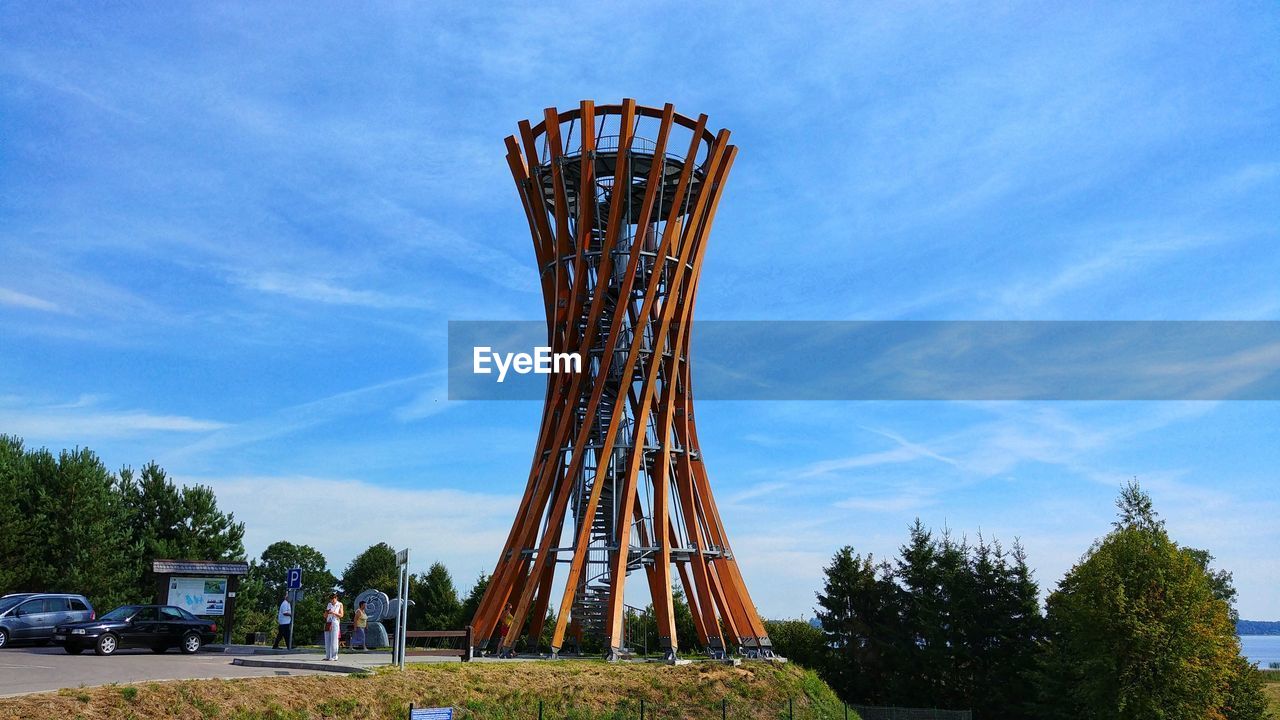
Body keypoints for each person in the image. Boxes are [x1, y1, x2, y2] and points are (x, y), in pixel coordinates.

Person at [323, 592, 344, 661]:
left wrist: (334, 612)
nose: (332, 601)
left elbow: (341, 615)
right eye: (331, 599)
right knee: (327, 639)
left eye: (333, 599)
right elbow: (325, 616)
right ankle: (328, 656)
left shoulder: (339, 604)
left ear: (336, 598)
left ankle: (334, 656)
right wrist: (326, 612)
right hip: (328, 622)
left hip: (335, 622)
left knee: (334, 639)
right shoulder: (329, 604)